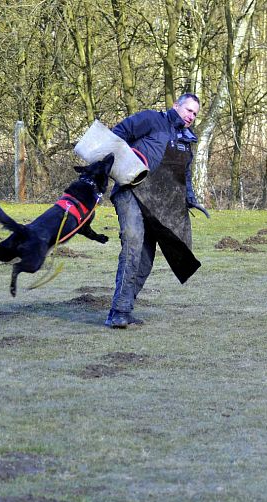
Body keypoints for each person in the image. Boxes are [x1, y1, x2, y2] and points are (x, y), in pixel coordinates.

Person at [105, 93, 209, 328]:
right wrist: (122, 165)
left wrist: (189, 199)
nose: (191, 116)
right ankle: (119, 312)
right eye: (188, 110)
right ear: (176, 105)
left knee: (145, 259)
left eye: (195, 113)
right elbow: (116, 135)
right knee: (133, 241)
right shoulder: (151, 119)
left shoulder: (186, 140)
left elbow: (186, 175)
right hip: (130, 191)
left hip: (158, 203)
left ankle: (122, 309)